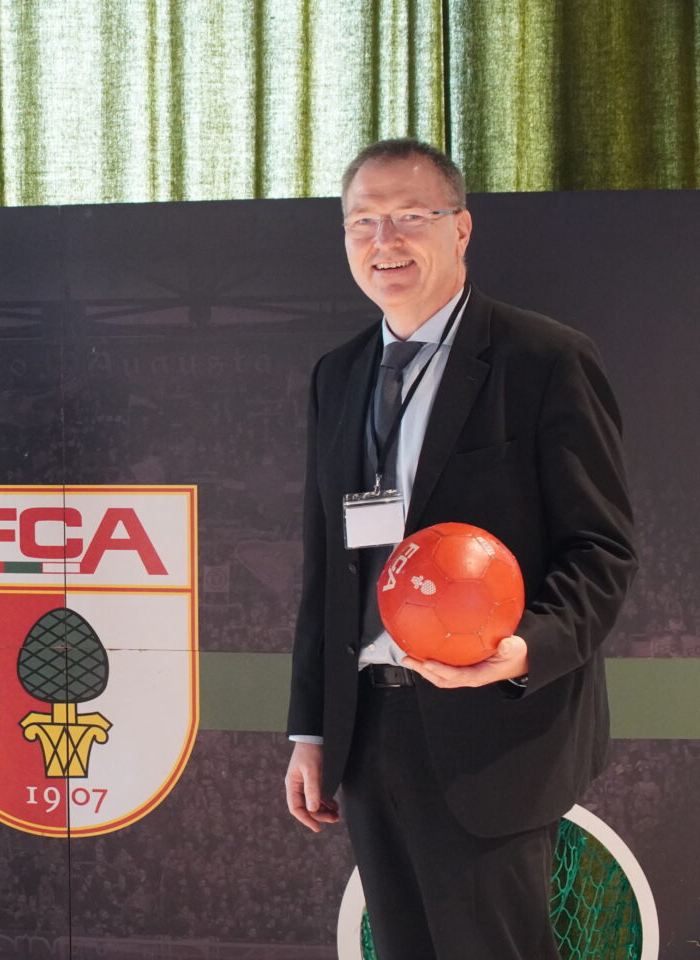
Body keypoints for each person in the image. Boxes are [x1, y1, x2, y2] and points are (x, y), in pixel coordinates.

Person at [283, 139, 636, 959]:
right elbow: (325, 570)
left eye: (411, 218)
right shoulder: (337, 376)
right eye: (363, 223)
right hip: (369, 731)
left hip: (494, 733)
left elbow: (603, 550)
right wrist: (310, 729)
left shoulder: (544, 360)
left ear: (462, 228)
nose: (385, 242)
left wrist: (519, 652)